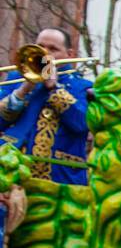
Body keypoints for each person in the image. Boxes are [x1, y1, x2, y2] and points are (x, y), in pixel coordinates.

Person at [0, 28, 92, 185]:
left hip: (59, 176)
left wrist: (54, 88)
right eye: (40, 46)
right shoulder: (16, 79)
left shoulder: (82, 86)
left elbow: (81, 124)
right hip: (10, 172)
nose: (44, 54)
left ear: (69, 55)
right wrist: (22, 91)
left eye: (53, 49)